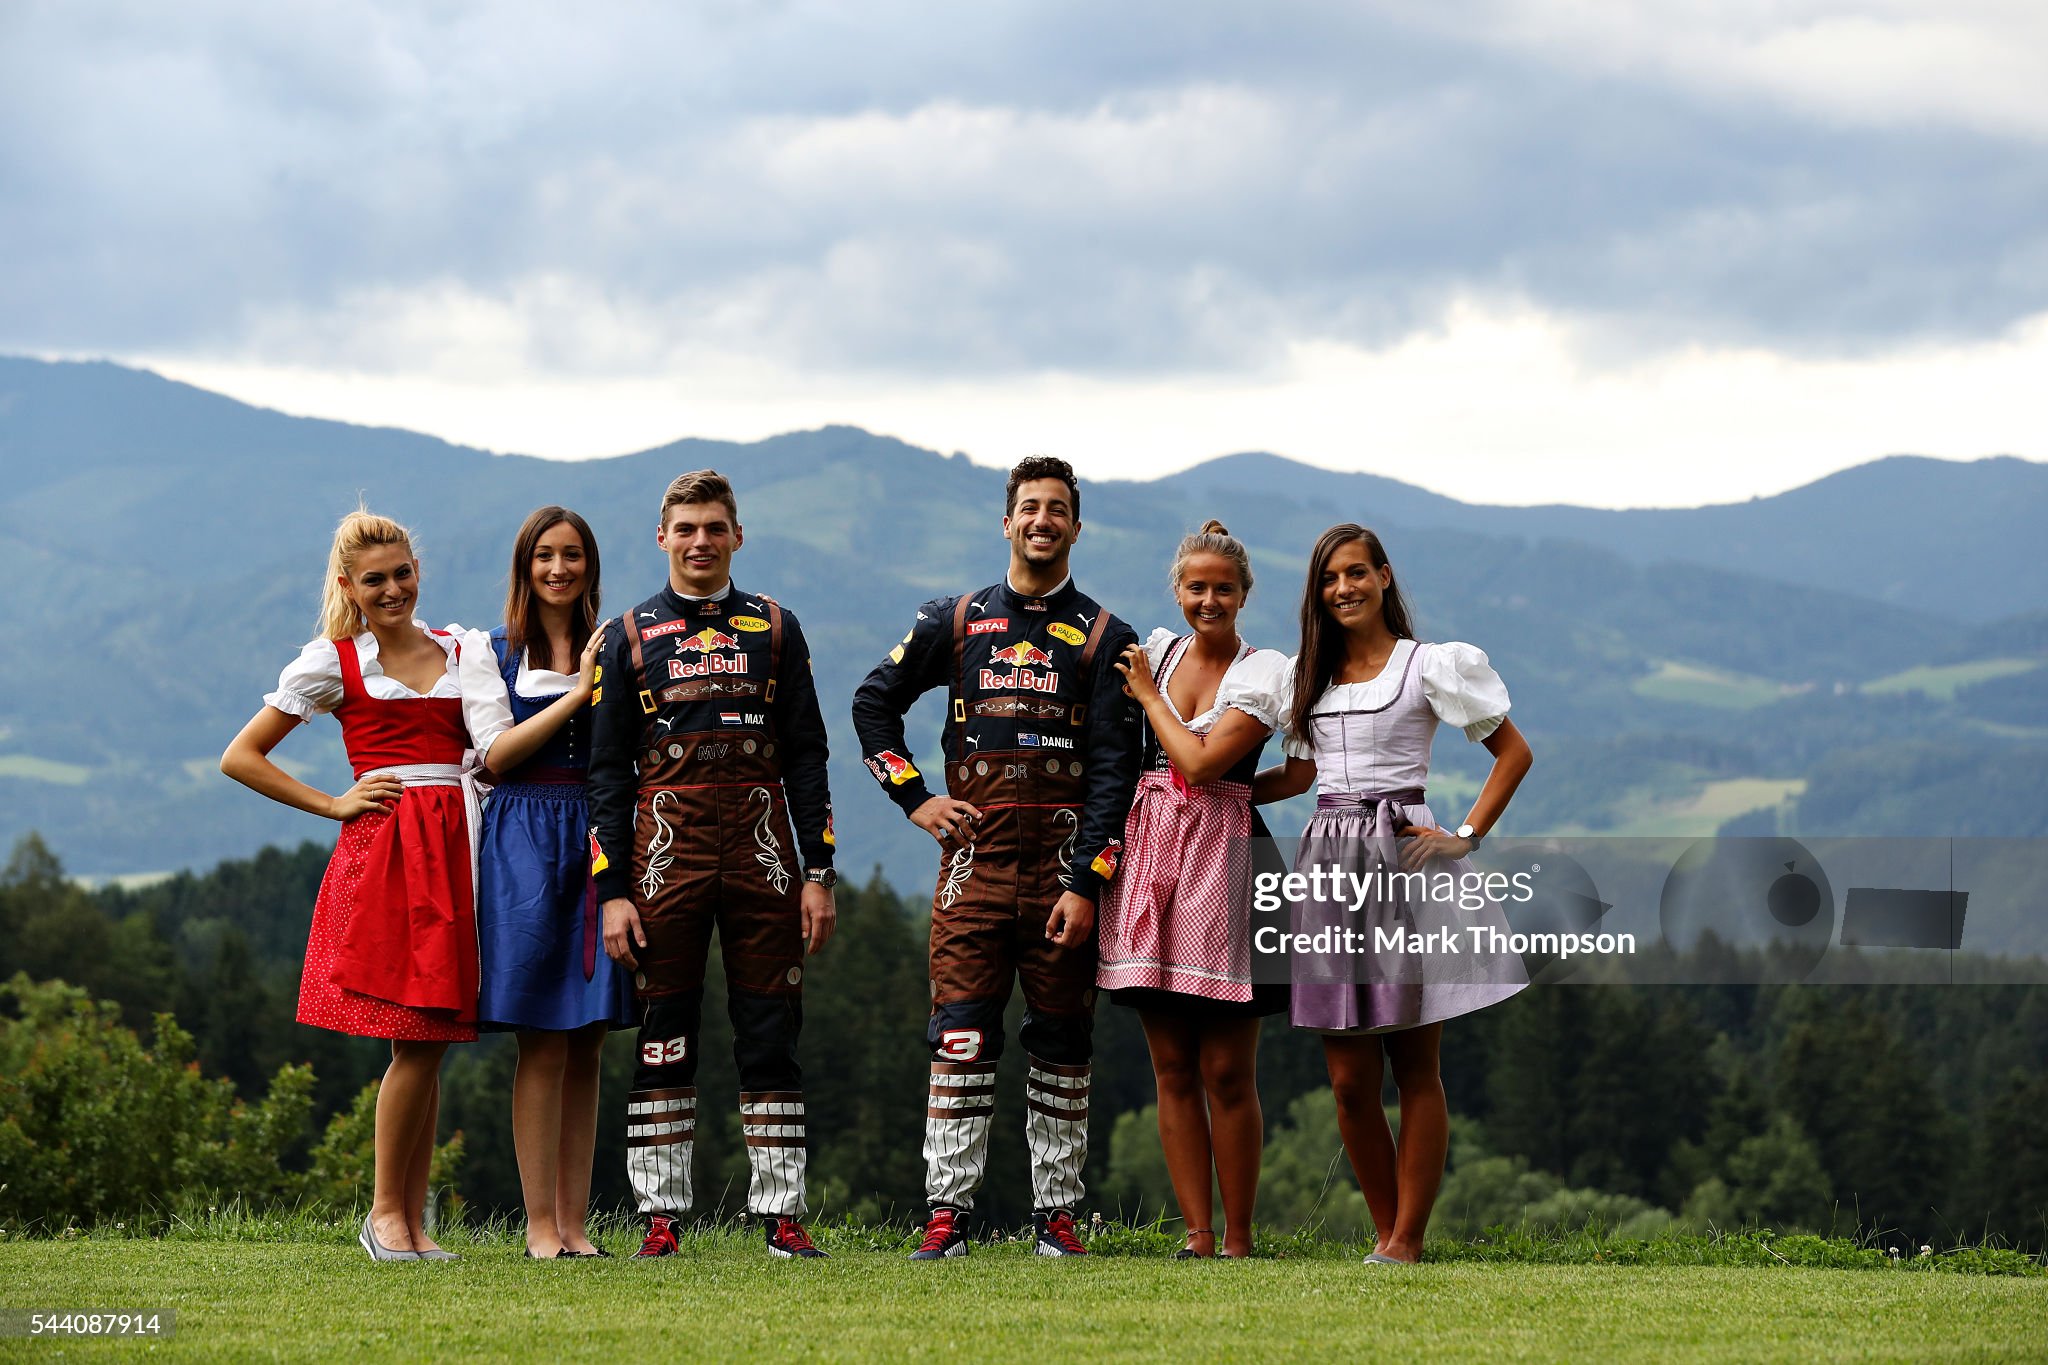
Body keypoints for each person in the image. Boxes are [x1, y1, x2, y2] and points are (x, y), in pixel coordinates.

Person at [851, 454, 1141, 1260]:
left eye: (1057, 509)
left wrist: (1088, 882)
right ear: (1006, 521)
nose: (1042, 520)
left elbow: (1119, 774)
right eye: (1029, 507)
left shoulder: (1105, 635)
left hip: (1061, 870)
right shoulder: (956, 618)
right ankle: (948, 1213)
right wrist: (915, 798)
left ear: (1076, 528)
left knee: (1061, 1042)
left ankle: (1058, 1217)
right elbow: (871, 704)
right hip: (970, 865)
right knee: (961, 1037)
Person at [221, 507, 502, 1261]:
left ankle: (410, 1219)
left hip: (458, 848)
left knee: (433, 1038)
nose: (392, 589)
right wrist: (333, 802)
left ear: (418, 572)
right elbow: (241, 756)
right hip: (387, 856)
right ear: (348, 584)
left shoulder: (460, 649)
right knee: (413, 1038)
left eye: (402, 573)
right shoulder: (335, 661)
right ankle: (384, 1215)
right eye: (374, 579)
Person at [1254, 523, 1533, 1265]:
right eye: (1327, 578)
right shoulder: (1305, 676)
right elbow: (1299, 776)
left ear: (1382, 576)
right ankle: (1386, 1231)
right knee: (1348, 1078)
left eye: (1355, 572)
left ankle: (1408, 1239)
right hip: (1328, 866)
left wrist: (1465, 835)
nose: (1342, 587)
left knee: (1415, 1065)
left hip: (1405, 860)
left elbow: (1514, 752)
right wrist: (1211, 791)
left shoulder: (1427, 666)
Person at [587, 470, 838, 1260]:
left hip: (766, 854)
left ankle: (783, 1215)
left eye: (715, 527)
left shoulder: (777, 626)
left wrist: (819, 874)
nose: (701, 541)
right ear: (662, 537)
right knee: (664, 1032)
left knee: (772, 1032)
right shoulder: (627, 635)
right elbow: (605, 775)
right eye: (686, 528)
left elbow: (808, 756)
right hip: (666, 852)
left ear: (738, 536)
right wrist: (611, 892)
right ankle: (660, 1218)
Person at [1098, 520, 1289, 1260]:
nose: (1209, 599)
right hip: (1152, 856)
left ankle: (1239, 1236)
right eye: (1196, 587)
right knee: (1171, 1066)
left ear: (1245, 595)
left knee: (1226, 1068)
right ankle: (1198, 1235)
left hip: (1227, 862)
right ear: (1177, 590)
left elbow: (1201, 765)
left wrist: (1148, 695)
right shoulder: (1163, 646)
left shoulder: (1261, 670)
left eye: (1224, 588)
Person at [460, 506, 633, 1259]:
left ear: (590, 566)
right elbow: (495, 757)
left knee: (589, 1036)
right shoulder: (491, 651)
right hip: (525, 835)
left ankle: (575, 1222)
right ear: (524, 568)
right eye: (544, 557)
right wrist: (580, 689)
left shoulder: (617, 647)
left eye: (573, 556)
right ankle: (537, 1225)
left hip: (597, 831)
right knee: (542, 1037)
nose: (559, 569)